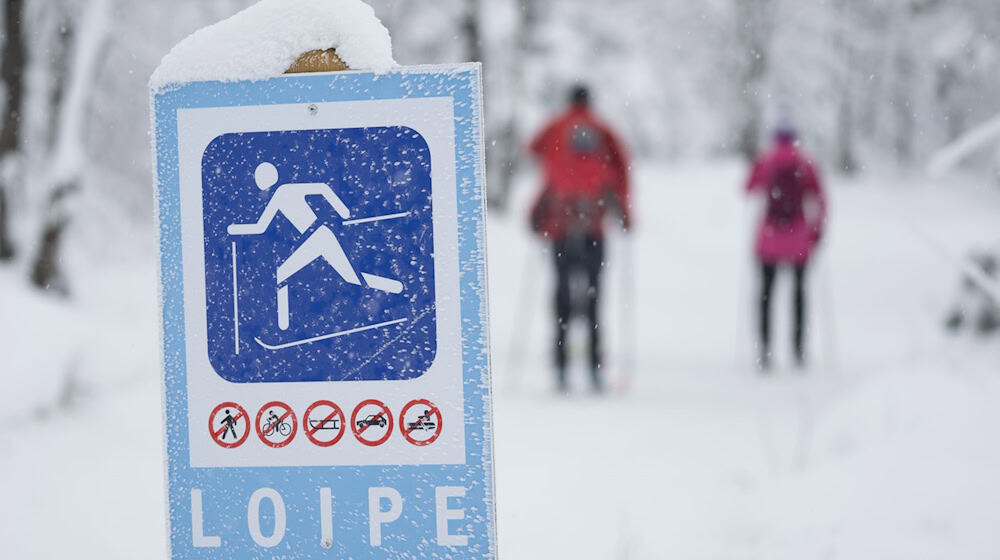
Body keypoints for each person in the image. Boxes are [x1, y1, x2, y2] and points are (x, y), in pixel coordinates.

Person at [528, 85, 631, 392]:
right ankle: (595, 366)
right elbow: (622, 167)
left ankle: (560, 365)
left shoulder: (556, 126)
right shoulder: (603, 129)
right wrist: (625, 212)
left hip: (561, 226)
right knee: (594, 296)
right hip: (594, 227)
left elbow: (533, 148)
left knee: (561, 295)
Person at [228, 162, 403, 331]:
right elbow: (261, 226)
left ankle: (283, 326)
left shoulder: (283, 191)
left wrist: (343, 210)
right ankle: (394, 286)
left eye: (259, 178)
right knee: (350, 278)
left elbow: (321, 188)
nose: (259, 184)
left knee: (283, 274)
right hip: (320, 236)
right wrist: (235, 229)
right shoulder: (281, 192)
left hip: (317, 236)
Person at [745, 125, 826, 370]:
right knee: (799, 295)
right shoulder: (806, 163)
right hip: (799, 239)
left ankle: (765, 351)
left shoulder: (766, 161)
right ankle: (798, 350)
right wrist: (816, 233)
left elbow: (748, 188)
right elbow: (820, 199)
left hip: (769, 239)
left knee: (766, 296)